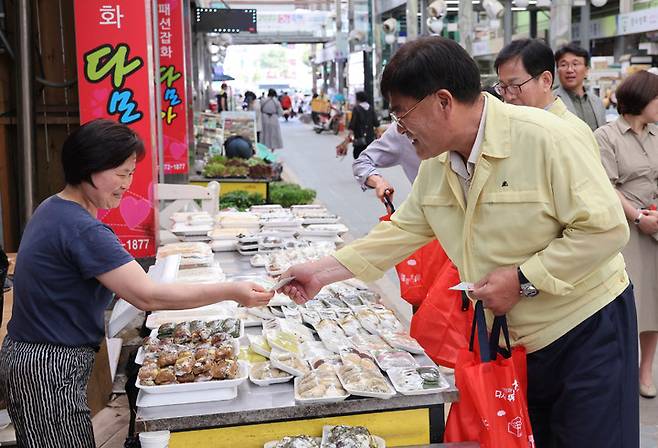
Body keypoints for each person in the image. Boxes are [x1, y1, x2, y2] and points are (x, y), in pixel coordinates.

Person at [279, 36, 637, 447]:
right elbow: (402, 230)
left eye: (402, 113)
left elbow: (605, 229)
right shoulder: (437, 163)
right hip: (514, 341)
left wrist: (523, 278)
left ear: (443, 101)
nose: (399, 128)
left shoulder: (548, 138)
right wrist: (320, 272)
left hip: (587, 328)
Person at [0, 119, 274, 447]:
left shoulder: (55, 207)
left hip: (32, 355)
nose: (127, 184)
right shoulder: (82, 229)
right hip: (48, 363)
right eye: (120, 173)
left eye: (131, 173)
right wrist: (233, 290)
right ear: (89, 167)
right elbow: (149, 296)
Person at [595, 70, 658, 400]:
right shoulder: (606, 136)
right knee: (627, 302)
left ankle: (645, 370)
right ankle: (619, 370)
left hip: (655, 226)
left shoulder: (656, 135)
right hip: (625, 228)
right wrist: (637, 217)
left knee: (654, 303)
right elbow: (605, 185)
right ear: (642, 99)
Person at [494, 38, 600, 156]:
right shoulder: (505, 128)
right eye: (502, 87)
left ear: (546, 81)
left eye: (514, 85)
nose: (508, 96)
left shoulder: (572, 133)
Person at [554, 43, 607, 131]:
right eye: (563, 65)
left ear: (586, 70)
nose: (570, 70)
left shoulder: (597, 102)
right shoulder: (552, 102)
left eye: (575, 64)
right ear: (557, 71)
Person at [336, 91, 380, 160]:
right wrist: (378, 135)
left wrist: (348, 136)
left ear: (358, 99)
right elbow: (376, 124)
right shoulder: (371, 108)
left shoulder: (356, 109)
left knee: (358, 157)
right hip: (370, 139)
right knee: (369, 158)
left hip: (359, 140)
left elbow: (352, 124)